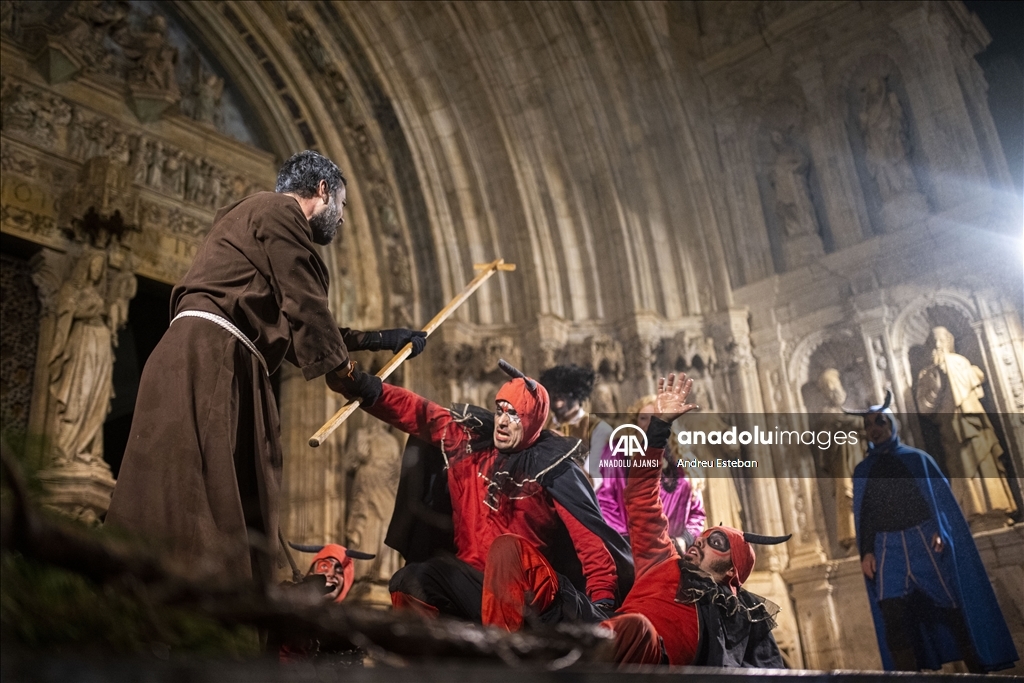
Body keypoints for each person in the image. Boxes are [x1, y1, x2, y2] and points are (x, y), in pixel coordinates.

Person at [106, 150, 426, 585]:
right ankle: (194, 614)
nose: (344, 219)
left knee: (185, 492)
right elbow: (305, 304)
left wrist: (378, 340)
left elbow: (288, 318)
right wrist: (350, 377)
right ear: (322, 190)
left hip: (203, 356)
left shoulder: (249, 219)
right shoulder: (280, 210)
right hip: (212, 361)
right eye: (343, 206)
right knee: (200, 502)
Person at [491, 374, 787, 668]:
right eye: (704, 535)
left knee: (638, 628)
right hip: (609, 637)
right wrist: (660, 427)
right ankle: (495, 660)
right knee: (510, 549)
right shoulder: (664, 560)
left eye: (716, 542)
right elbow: (642, 495)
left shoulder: (738, 615)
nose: (700, 540)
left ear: (733, 570)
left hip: (653, 661)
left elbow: (771, 668)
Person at [363, 359, 633, 626]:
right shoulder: (471, 445)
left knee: (506, 551)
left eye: (514, 413)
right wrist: (364, 387)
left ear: (532, 419)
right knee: (409, 581)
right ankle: (434, 662)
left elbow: (591, 544)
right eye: (500, 410)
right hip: (471, 579)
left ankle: (506, 660)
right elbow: (419, 412)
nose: (503, 421)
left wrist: (603, 605)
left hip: (527, 593)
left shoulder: (555, 468)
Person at [852, 392, 1018, 673]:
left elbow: (938, 501)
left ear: (892, 423)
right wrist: (867, 550)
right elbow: (865, 515)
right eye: (869, 424)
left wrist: (940, 529)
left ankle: (978, 672)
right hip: (885, 549)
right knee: (893, 617)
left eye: (879, 421)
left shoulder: (918, 459)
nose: (874, 428)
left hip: (924, 540)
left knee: (952, 610)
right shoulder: (864, 470)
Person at [597, 395, 706, 545]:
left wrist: (684, 540)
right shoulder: (618, 453)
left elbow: (697, 512)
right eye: (643, 418)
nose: (650, 424)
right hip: (636, 552)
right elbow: (605, 500)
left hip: (677, 553)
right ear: (635, 423)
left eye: (656, 418)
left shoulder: (685, 460)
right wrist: (625, 543)